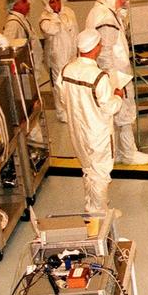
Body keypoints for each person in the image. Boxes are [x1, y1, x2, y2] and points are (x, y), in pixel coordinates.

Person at [84, 0, 148, 165]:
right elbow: (105, 51)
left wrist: (122, 8)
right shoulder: (106, 18)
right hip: (116, 73)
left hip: (108, 72)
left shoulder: (100, 11)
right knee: (124, 112)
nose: (123, 0)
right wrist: (113, 79)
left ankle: (118, 152)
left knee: (113, 115)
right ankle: (129, 153)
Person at [60, 29, 124, 212]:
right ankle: (99, 211)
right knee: (101, 171)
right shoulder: (98, 76)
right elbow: (110, 107)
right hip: (97, 132)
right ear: (96, 47)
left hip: (77, 130)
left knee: (88, 167)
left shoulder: (66, 70)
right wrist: (118, 95)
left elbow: (63, 99)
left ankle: (92, 203)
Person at [38, 0, 78, 123]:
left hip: (71, 53)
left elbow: (75, 30)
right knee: (59, 84)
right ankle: (62, 112)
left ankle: (73, 110)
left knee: (71, 81)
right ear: (47, 4)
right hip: (57, 55)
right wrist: (55, 15)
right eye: (52, 2)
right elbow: (52, 30)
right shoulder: (45, 18)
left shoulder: (68, 12)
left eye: (58, 0)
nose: (56, 4)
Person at [3, 0, 43, 66]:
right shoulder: (13, 23)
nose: (28, 3)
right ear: (14, 5)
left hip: (34, 63)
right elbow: (7, 45)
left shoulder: (22, 18)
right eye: (24, 1)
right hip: (26, 65)